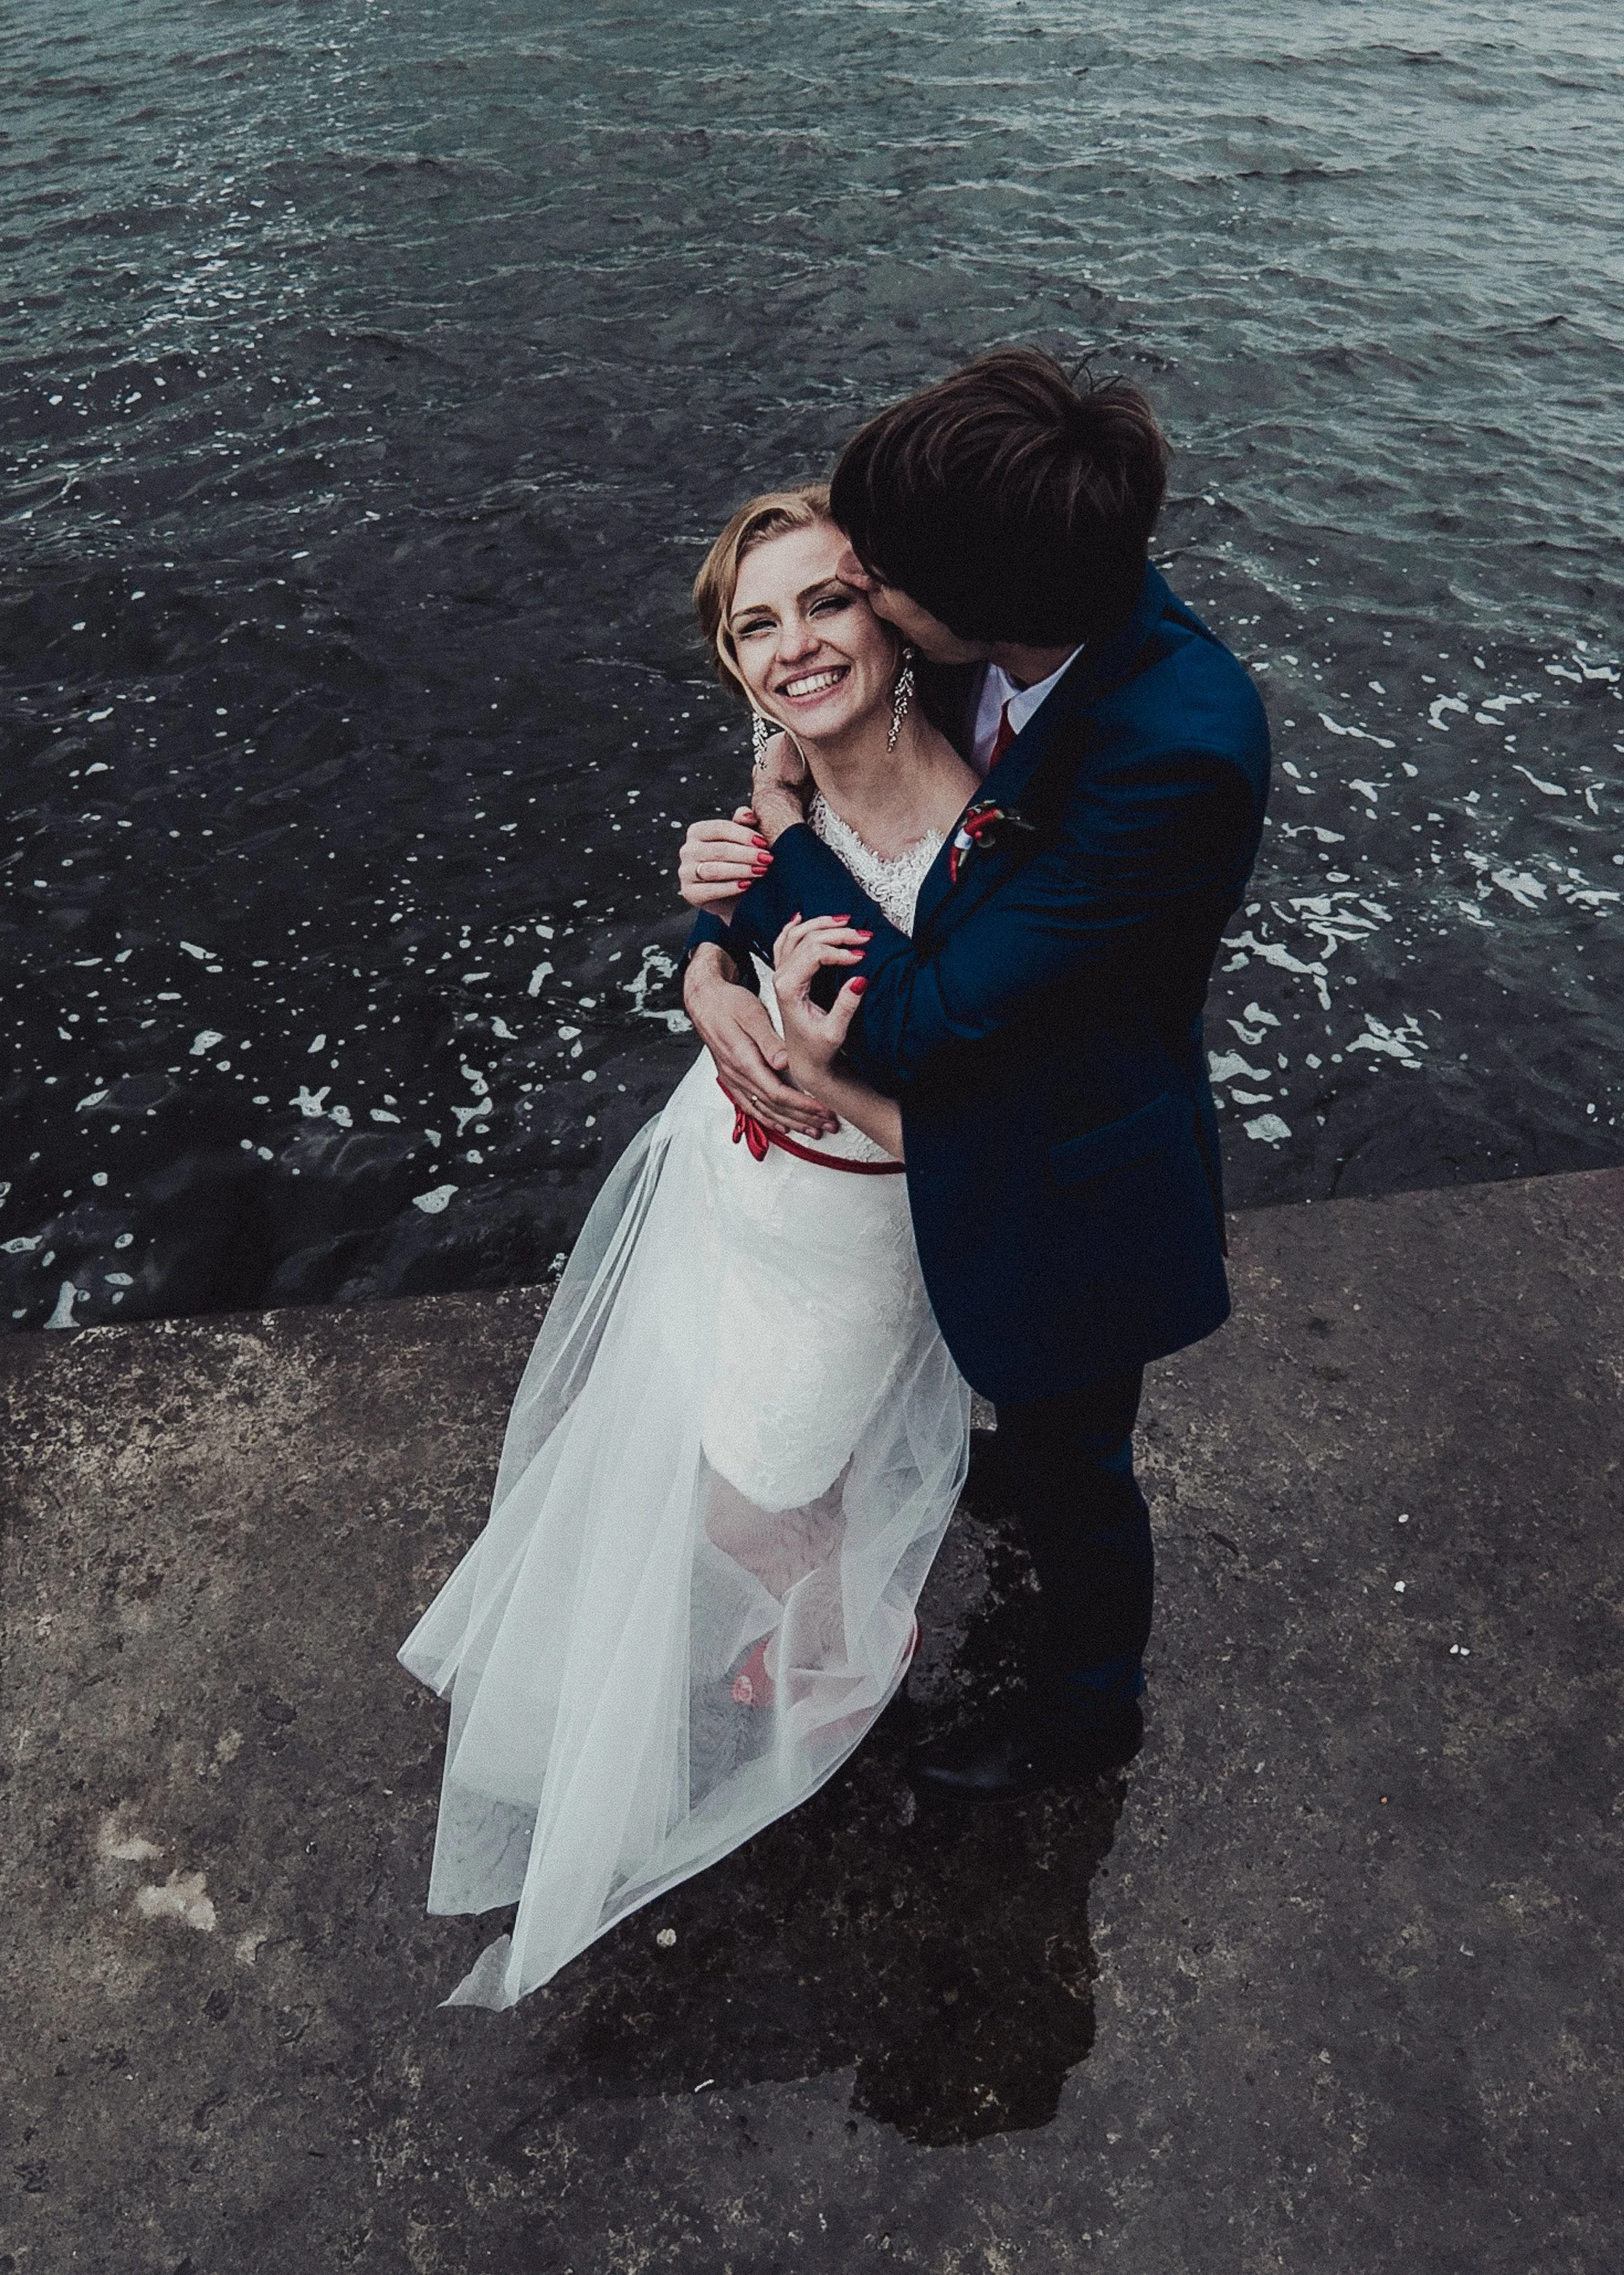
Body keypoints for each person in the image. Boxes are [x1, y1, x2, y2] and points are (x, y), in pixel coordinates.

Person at [400, 488, 979, 2009]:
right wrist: (703, 977)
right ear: (731, 663)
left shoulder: (972, 827)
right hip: (725, 1176)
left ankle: (842, 1629)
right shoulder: (779, 764)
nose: (796, 645)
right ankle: (820, 1597)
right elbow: (733, 936)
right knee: (696, 1410)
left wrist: (789, 1001)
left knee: (744, 1491)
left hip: (845, 1228)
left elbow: (966, 1121)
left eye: (826, 604)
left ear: (889, 615)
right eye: (756, 625)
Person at [679, 347, 1271, 1803]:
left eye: (873, 576)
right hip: (949, 1091)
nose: (857, 588)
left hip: (1067, 1138)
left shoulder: (1173, 748)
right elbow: (834, 761)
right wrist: (705, 968)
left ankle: (1084, 1718)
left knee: (1078, 1465)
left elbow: (924, 1016)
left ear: (975, 610)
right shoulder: (976, 616)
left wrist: (761, 881)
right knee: (997, 1397)